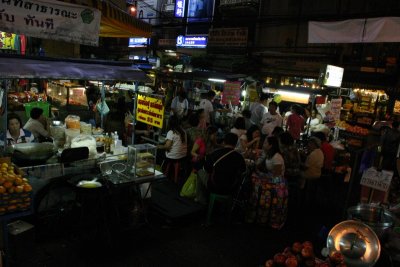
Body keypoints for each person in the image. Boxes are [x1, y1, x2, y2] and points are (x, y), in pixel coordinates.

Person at [196, 133, 246, 204]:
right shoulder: (240, 157)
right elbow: (243, 171)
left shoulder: (215, 153)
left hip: (215, 187)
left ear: (224, 142)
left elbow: (207, 169)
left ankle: (201, 199)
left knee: (200, 170)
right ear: (235, 144)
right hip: (231, 189)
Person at [158, 115, 188, 183]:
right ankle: (173, 176)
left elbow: (167, 146)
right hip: (183, 155)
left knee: (160, 153)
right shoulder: (183, 131)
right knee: (171, 156)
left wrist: (158, 146)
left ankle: (164, 174)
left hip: (174, 156)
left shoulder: (171, 132)